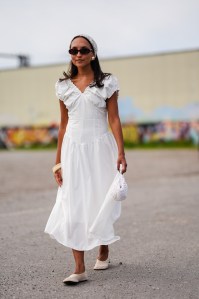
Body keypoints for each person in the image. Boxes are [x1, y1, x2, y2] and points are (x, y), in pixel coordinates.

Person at [44, 34, 127, 285]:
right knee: (73, 202)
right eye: (73, 50)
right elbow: (63, 124)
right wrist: (57, 161)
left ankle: (103, 247)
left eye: (83, 50)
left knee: (100, 198)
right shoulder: (63, 86)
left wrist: (121, 152)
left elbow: (113, 119)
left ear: (93, 53)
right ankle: (78, 268)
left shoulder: (107, 83)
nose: (78, 54)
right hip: (72, 150)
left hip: (101, 147)